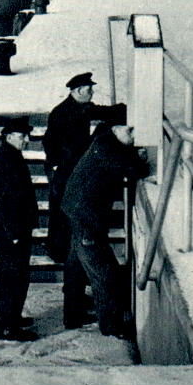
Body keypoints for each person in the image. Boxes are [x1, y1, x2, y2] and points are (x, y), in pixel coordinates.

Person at [61, 124, 150, 341]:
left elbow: (123, 159)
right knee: (103, 271)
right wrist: (140, 160)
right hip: (87, 218)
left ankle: (73, 315)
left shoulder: (105, 142)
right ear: (118, 130)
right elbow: (134, 170)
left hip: (77, 211)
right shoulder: (107, 149)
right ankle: (111, 326)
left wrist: (132, 154)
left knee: (76, 266)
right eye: (132, 132)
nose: (135, 137)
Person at [42, 72, 126, 263]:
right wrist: (57, 165)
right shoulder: (61, 112)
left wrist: (123, 109)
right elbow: (50, 142)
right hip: (64, 169)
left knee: (66, 208)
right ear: (78, 91)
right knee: (61, 209)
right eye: (89, 90)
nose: (92, 93)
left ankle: (64, 249)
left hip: (73, 166)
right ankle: (57, 250)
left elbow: (104, 112)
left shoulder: (83, 107)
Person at [0, 116, 39, 342]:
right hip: (13, 231)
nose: (26, 140)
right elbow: (5, 201)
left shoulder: (10, 155)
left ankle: (12, 317)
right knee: (13, 276)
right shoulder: (7, 159)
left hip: (15, 229)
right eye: (22, 136)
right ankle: (8, 327)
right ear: (9, 137)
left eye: (27, 136)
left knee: (16, 275)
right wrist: (14, 233)